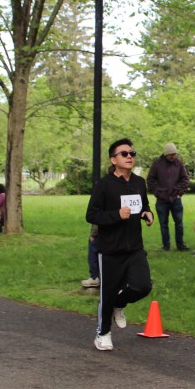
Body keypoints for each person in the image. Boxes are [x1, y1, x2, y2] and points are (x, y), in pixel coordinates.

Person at [85, 138, 154, 352]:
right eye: (124, 154)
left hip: (134, 248)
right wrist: (116, 215)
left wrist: (147, 213)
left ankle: (120, 303)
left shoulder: (139, 182)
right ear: (113, 160)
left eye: (132, 153)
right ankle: (103, 334)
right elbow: (92, 215)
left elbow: (144, 205)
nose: (129, 156)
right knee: (107, 293)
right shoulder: (104, 185)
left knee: (143, 286)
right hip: (110, 250)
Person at [146, 142, 191, 251]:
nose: (173, 156)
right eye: (171, 154)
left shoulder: (178, 163)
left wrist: (179, 193)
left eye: (174, 154)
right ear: (166, 154)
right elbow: (150, 179)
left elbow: (185, 179)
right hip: (162, 200)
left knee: (179, 223)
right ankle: (166, 246)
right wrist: (157, 193)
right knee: (163, 224)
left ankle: (180, 245)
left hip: (176, 199)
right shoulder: (157, 163)